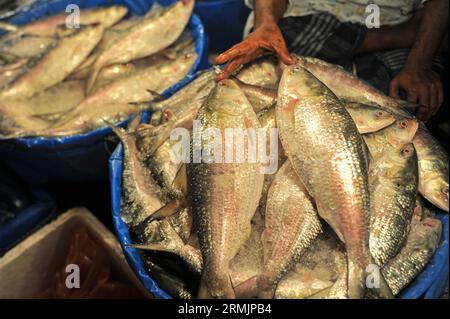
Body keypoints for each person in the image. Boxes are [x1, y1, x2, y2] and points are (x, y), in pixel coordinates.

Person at [215, 0, 448, 122]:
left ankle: (388, 38)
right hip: (308, 19)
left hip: (391, 22)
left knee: (416, 99)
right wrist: (265, 24)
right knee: (280, 43)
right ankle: (395, 37)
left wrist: (418, 65)